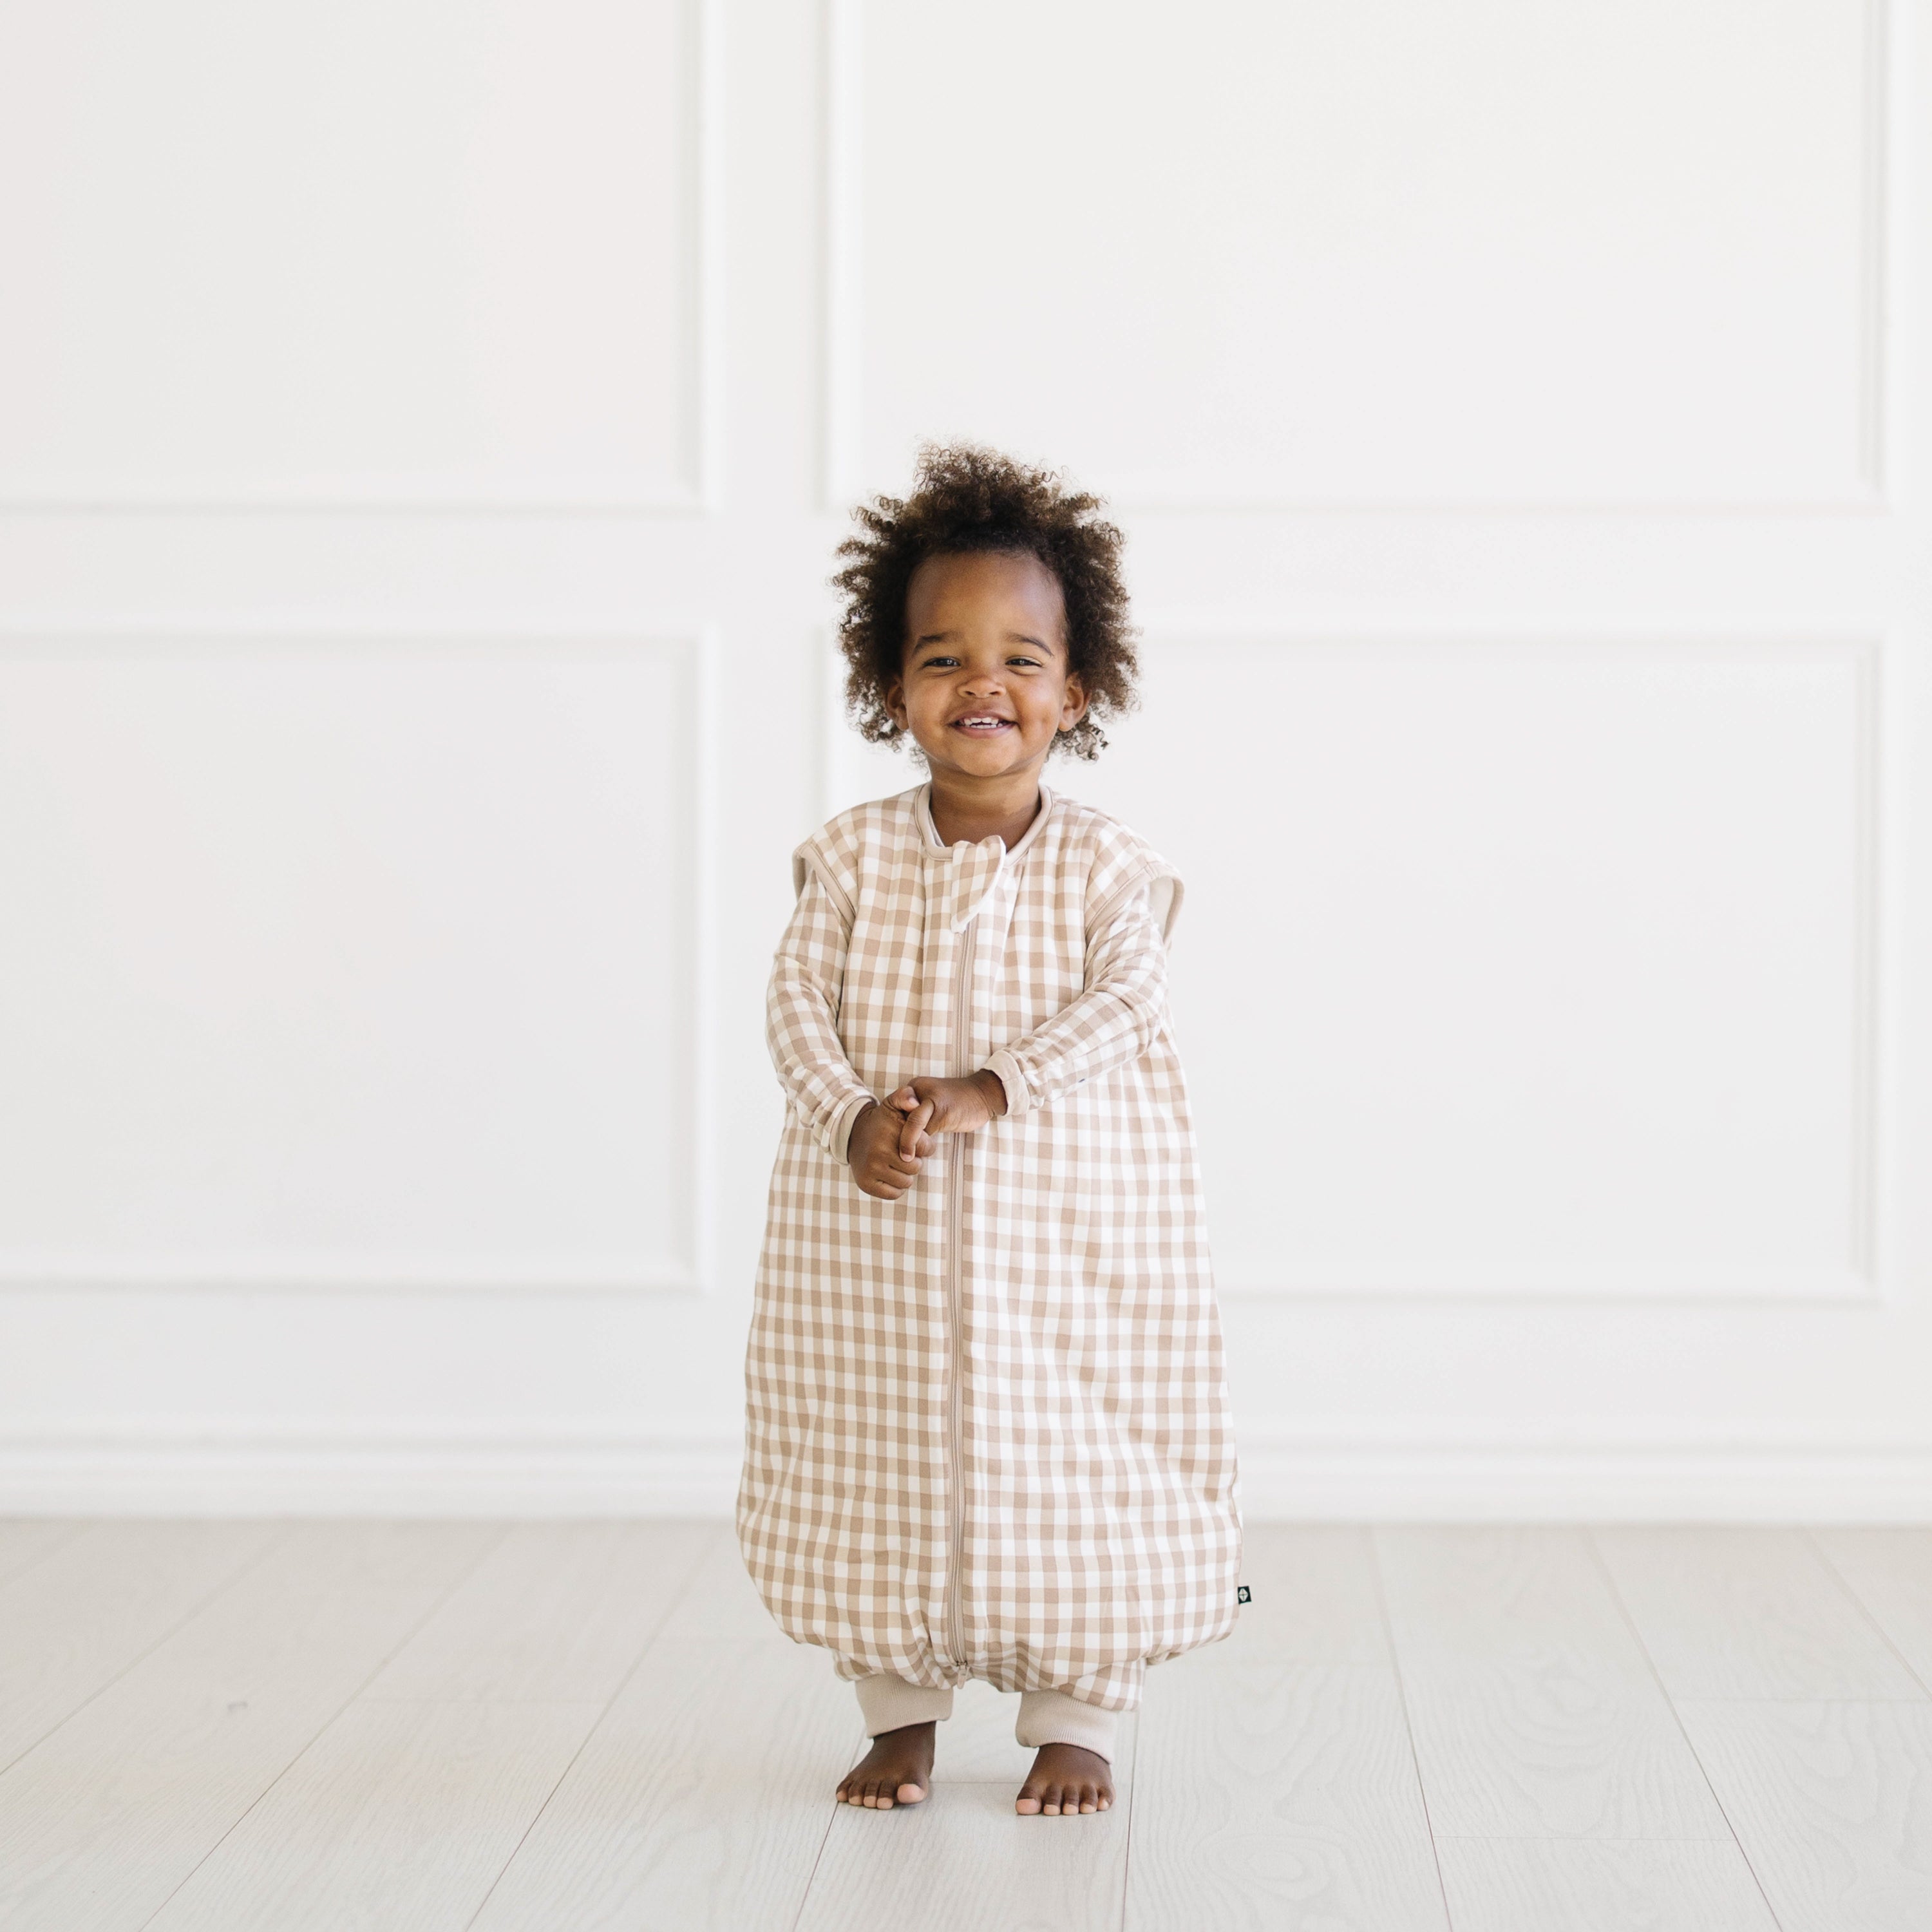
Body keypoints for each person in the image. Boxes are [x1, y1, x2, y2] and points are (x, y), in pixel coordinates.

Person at [736, 444, 1241, 1819]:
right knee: (867, 1443)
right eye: (944, 656)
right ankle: (898, 1716)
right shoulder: (850, 860)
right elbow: (793, 1006)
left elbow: (1131, 1002)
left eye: (1022, 658)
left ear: (1077, 693)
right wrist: (853, 1116)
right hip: (874, 1238)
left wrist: (987, 1089)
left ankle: (1078, 1714)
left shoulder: (1105, 867)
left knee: (1086, 1451)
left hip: (1071, 1239)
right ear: (891, 685)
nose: (984, 685)